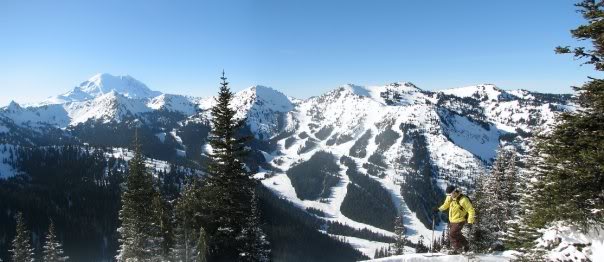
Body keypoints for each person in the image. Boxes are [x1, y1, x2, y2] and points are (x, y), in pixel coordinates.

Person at [433, 185, 475, 254]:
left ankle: (458, 250)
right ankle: (466, 245)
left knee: (452, 234)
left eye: (450, 194)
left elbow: (471, 211)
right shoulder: (450, 197)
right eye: (448, 195)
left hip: (460, 220)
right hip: (452, 220)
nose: (449, 196)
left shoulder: (463, 200)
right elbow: (446, 205)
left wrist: (470, 222)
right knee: (457, 234)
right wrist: (438, 209)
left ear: (454, 192)